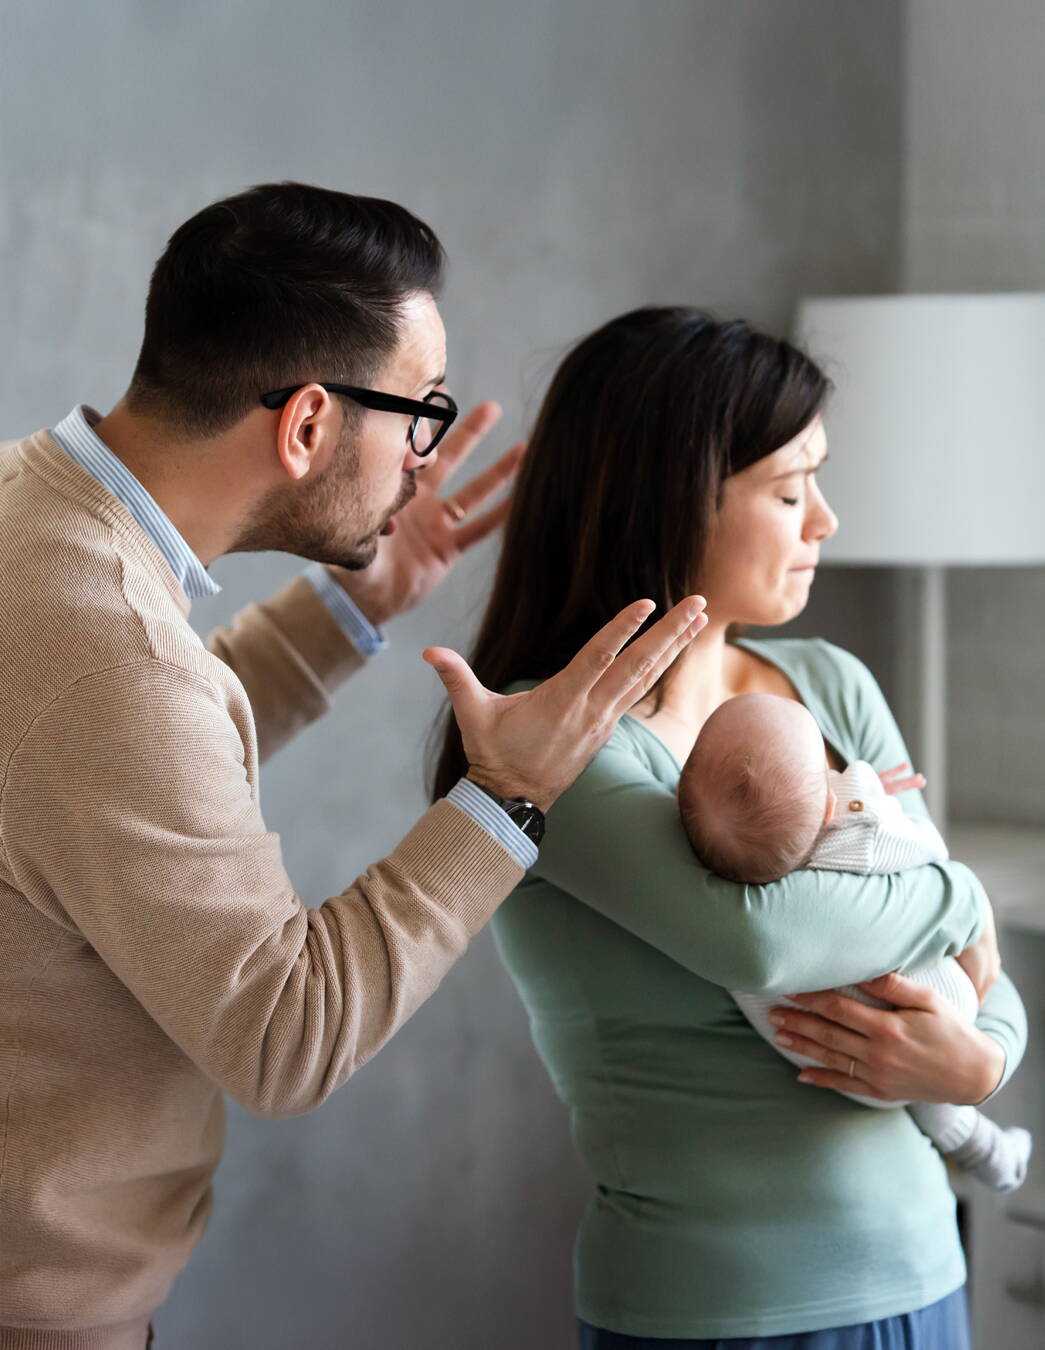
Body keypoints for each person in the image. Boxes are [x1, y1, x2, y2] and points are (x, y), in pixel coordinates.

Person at [0, 186, 708, 1350]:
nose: (425, 457)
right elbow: (286, 1034)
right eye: (418, 413)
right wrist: (501, 799)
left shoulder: (39, 509)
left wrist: (347, 609)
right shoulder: (113, 659)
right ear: (310, 427)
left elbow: (105, 774)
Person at [432, 306, 1026, 1348]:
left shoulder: (828, 684)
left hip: (927, 1277)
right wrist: (959, 893)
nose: (824, 521)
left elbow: (977, 986)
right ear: (669, 499)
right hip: (714, 1312)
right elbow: (762, 937)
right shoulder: (548, 739)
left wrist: (978, 1068)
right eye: (790, 490)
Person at [678, 691, 1032, 1194]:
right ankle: (980, 1146)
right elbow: (927, 852)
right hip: (932, 1014)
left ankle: (978, 1144)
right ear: (829, 802)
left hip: (813, 1052)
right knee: (924, 1010)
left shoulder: (727, 876)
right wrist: (873, 799)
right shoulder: (858, 832)